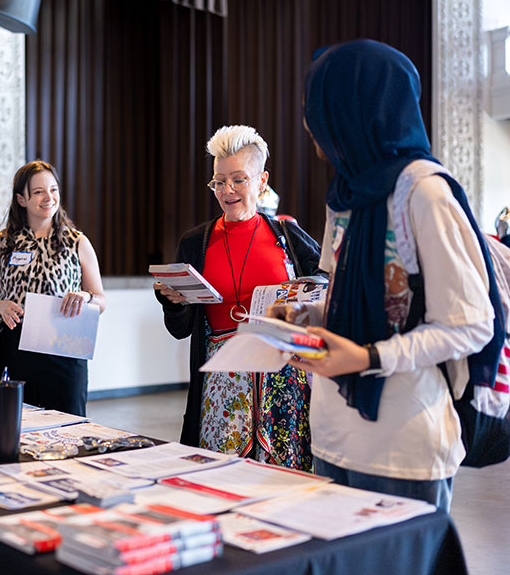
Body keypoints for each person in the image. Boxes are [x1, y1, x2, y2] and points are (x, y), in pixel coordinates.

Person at [274, 39, 502, 511]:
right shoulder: (346, 195)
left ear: (354, 109)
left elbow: (470, 323)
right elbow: (353, 300)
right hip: (333, 435)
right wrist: (305, 314)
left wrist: (367, 356)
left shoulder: (424, 193)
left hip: (403, 448)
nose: (308, 124)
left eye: (317, 107)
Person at [153, 125, 322, 471]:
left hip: (283, 380)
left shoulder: (287, 236)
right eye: (218, 181)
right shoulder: (195, 242)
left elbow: (324, 283)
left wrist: (301, 302)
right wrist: (173, 302)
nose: (227, 190)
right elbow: (181, 329)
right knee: (220, 477)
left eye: (238, 180)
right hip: (222, 382)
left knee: (285, 477)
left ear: (262, 181)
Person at [0, 160, 106, 416]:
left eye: (53, 190)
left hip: (64, 351)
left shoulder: (77, 241)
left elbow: (101, 300)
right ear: (21, 199)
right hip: (13, 350)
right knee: (11, 426)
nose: (49, 198)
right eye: (38, 192)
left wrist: (86, 297)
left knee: (69, 431)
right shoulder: (1, 244)